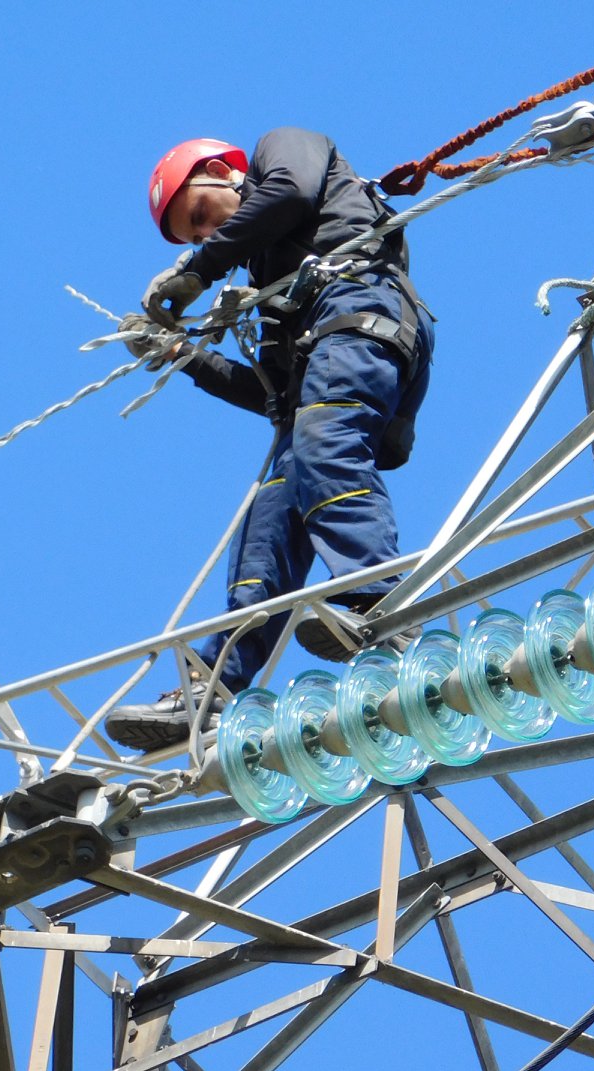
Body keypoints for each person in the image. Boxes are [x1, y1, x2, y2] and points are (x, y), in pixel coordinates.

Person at [104, 130, 437, 753]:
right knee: (269, 520)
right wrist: (183, 355)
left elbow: (288, 193)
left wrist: (198, 272)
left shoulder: (281, 150)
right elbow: (277, 395)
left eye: (201, 217)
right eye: (196, 237)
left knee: (323, 442)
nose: (207, 239)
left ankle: (381, 603)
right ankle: (210, 690)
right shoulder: (268, 282)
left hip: (361, 314)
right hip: (326, 358)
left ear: (223, 171)